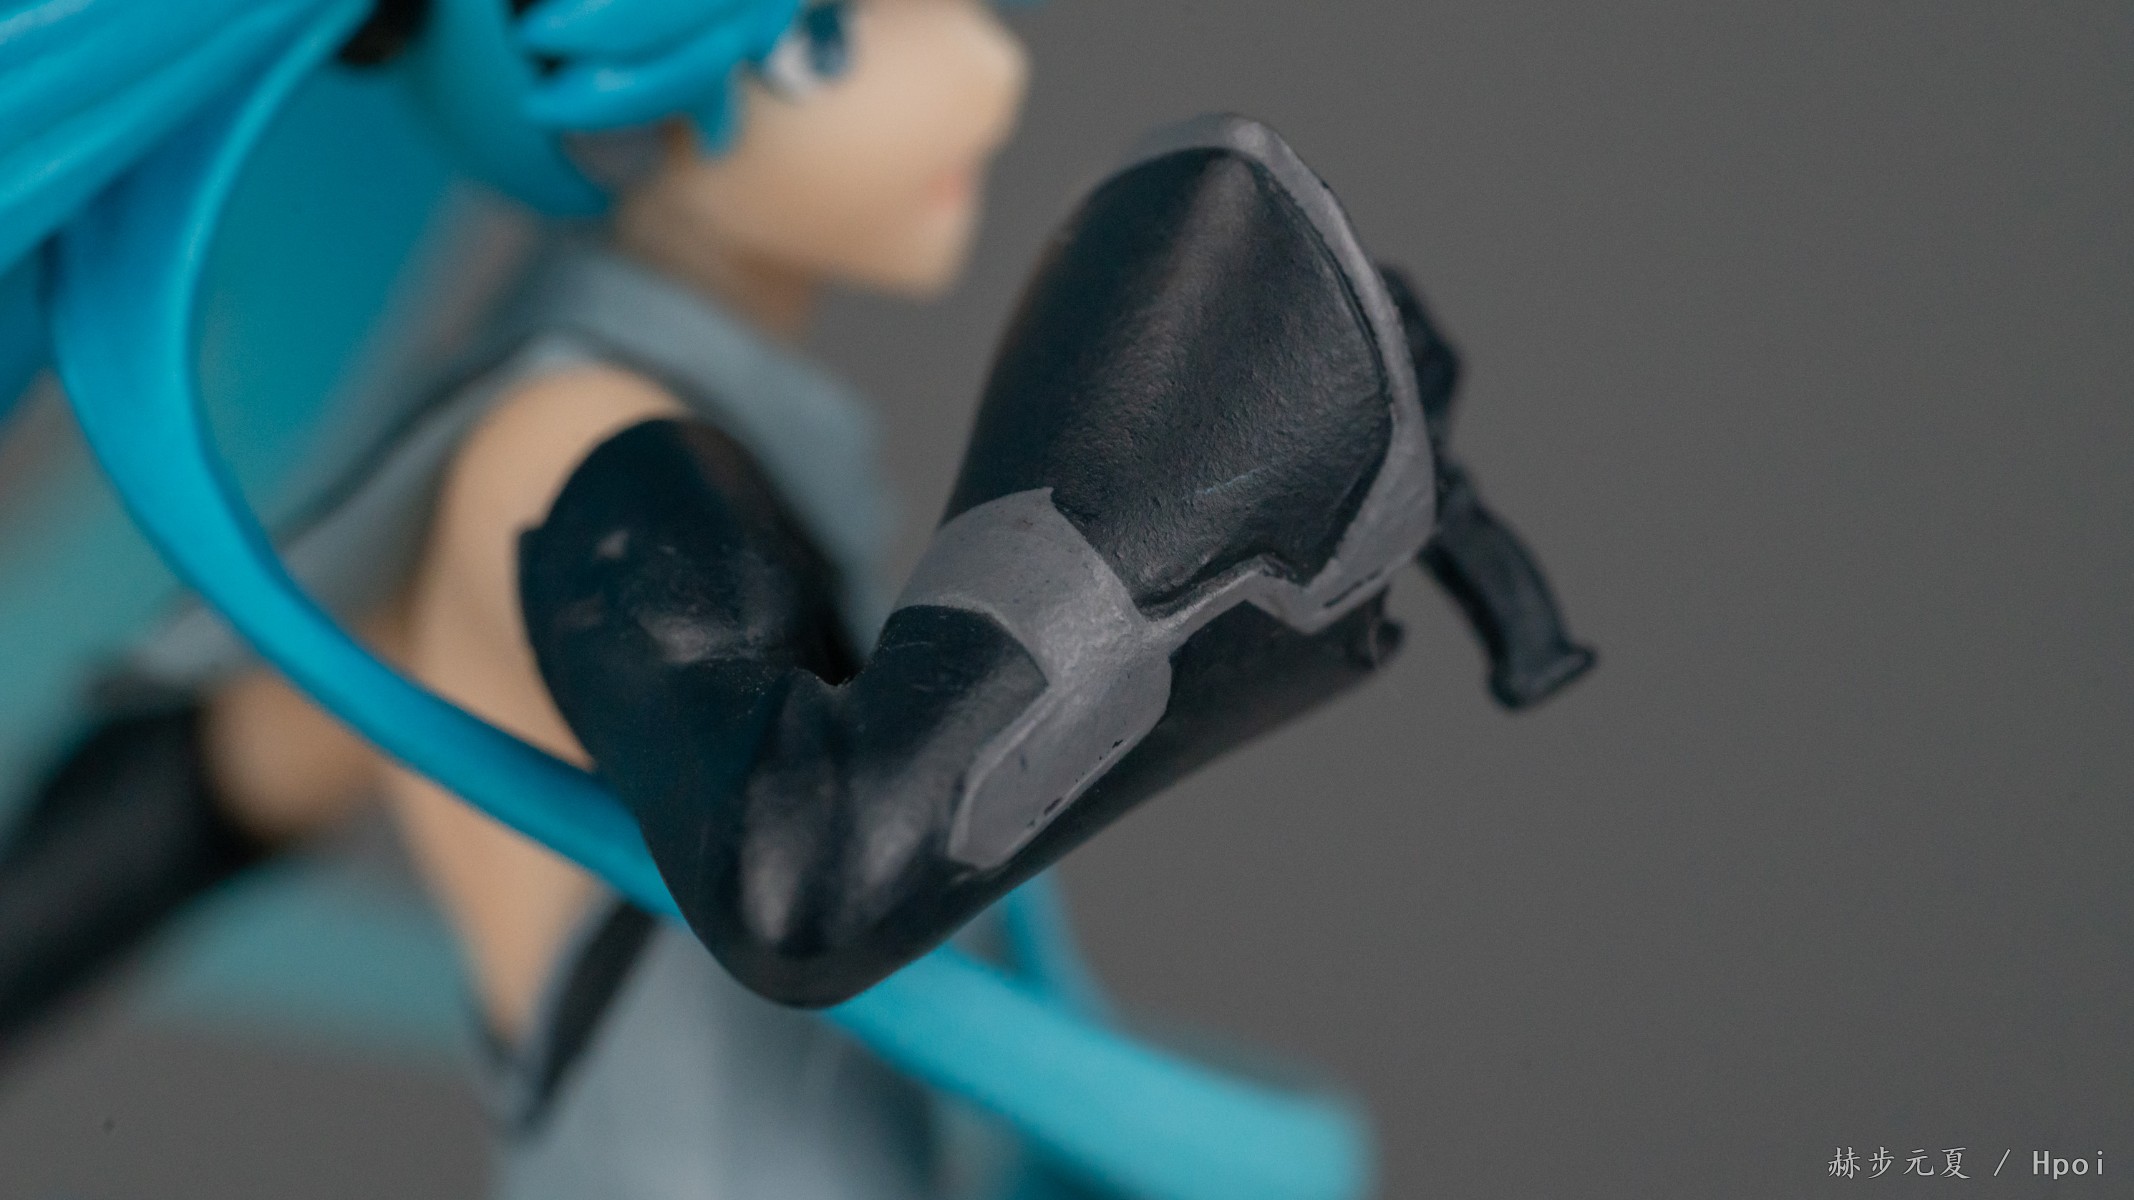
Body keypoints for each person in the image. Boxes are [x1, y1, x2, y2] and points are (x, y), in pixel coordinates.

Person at [0, 0, 1591, 1195]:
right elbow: (806, 867)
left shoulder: (581, 443)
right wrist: (1226, 470)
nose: (982, 69)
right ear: (606, 96)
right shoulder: (569, 455)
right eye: (830, 33)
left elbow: (221, 778)